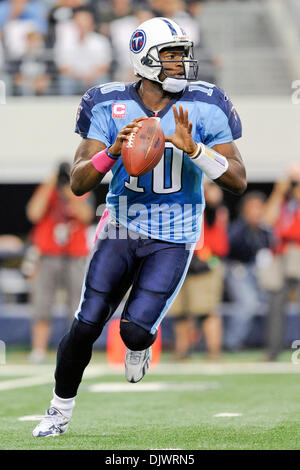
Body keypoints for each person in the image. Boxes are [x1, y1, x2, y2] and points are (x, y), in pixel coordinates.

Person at [32, 16, 246, 437]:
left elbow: (238, 180)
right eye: (171, 55)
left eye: (183, 54)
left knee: (132, 331)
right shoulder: (106, 102)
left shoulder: (207, 102)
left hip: (175, 234)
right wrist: (112, 151)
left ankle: (140, 345)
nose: (182, 63)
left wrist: (197, 150)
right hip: (121, 226)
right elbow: (78, 182)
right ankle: (58, 411)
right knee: (88, 321)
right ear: (146, 60)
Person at [26, 162, 94, 364]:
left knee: (76, 305)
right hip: (48, 255)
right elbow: (34, 213)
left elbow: (85, 216)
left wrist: (70, 191)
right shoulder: (47, 191)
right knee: (42, 303)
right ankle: (38, 351)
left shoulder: (80, 190)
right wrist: (49, 185)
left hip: (75, 256)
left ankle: (74, 349)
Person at [170, 181, 228, 360]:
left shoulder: (207, 203)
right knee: (180, 312)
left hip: (205, 261)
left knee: (206, 311)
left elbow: (213, 199)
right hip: (181, 259)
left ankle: (213, 352)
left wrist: (201, 184)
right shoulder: (179, 201)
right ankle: (182, 351)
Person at [261, 165, 300, 360]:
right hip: (281, 254)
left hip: (298, 251)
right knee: (275, 304)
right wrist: (278, 191)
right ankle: (273, 351)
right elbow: (267, 220)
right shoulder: (283, 202)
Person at [225, 191, 272, 350]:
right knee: (247, 304)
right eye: (253, 208)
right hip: (238, 269)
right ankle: (231, 342)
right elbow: (230, 248)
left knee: (266, 302)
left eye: (259, 208)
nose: (256, 212)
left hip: (257, 271)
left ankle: (262, 341)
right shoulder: (238, 228)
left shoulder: (264, 230)